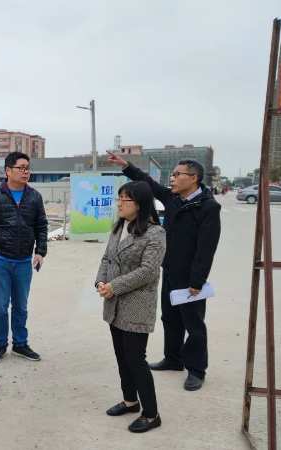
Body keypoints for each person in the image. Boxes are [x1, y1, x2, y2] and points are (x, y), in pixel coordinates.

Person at [107, 151, 221, 391]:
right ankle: (173, 358)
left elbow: (206, 248)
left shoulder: (208, 207)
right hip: (169, 270)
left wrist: (197, 280)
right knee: (170, 318)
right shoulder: (172, 198)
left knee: (194, 325)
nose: (173, 178)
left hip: (190, 276)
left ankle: (196, 370)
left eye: (178, 174)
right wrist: (127, 167)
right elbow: (148, 184)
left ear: (194, 178)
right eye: (173, 174)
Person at [96, 181, 166, 433]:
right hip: (113, 302)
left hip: (137, 304)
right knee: (122, 357)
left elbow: (148, 271)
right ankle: (130, 401)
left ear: (139, 204)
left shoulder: (155, 233)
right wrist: (101, 282)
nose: (119, 203)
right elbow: (107, 258)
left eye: (124, 199)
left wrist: (113, 286)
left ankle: (151, 414)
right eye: (119, 198)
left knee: (136, 360)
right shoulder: (119, 227)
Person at [0, 152, 48, 364]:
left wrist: (40, 251)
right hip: (0, 260)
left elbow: (41, 225)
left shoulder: (34, 197)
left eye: (28, 168)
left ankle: (20, 344)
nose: (26, 172)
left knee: (21, 307)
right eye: (21, 168)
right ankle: (0, 344)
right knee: (0, 307)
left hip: (24, 262)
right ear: (8, 170)